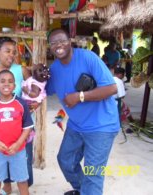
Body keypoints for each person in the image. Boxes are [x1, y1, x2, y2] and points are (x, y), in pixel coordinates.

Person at [46, 28, 120, 195]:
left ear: (70, 41)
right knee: (66, 160)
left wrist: (80, 96)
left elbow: (112, 88)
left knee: (93, 174)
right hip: (77, 125)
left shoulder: (88, 57)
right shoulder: (55, 68)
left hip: (101, 126)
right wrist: (36, 75)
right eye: (54, 43)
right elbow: (43, 90)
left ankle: (88, 190)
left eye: (62, 41)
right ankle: (82, 189)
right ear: (49, 46)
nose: (59, 45)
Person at [0, 37, 36, 194]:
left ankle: (19, 185)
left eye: (14, 52)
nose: (12, 55)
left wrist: (35, 103)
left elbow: (37, 91)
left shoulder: (21, 70)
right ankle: (7, 186)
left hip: (20, 126)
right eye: (7, 51)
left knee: (22, 162)